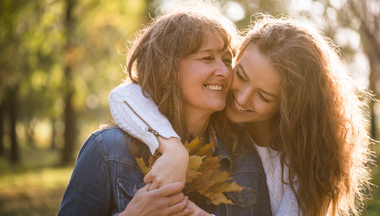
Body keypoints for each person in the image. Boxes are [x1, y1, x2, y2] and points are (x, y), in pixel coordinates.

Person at [108, 15, 373, 215]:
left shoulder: (301, 161)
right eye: (241, 76)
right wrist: (172, 148)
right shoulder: (215, 116)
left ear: (290, 108)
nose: (241, 98)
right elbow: (124, 95)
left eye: (264, 96)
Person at [59, 5, 272, 216]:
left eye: (227, 60)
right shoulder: (107, 151)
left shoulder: (244, 157)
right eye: (207, 58)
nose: (224, 71)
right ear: (166, 68)